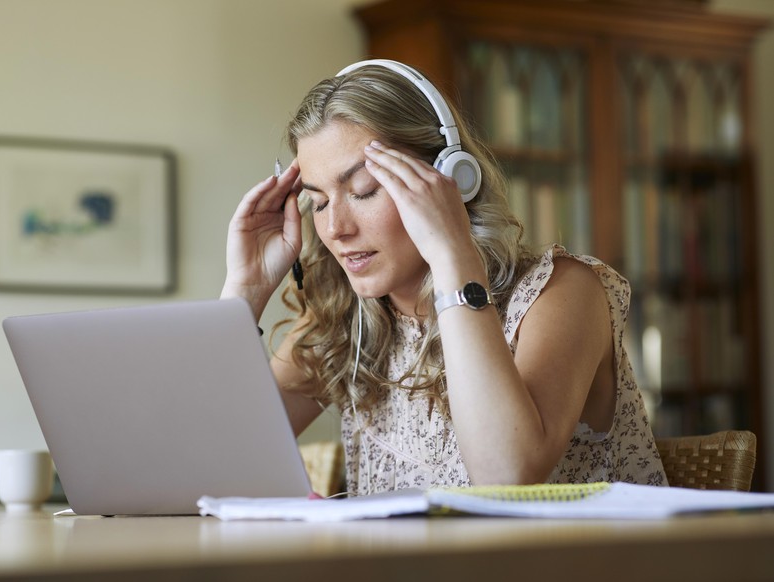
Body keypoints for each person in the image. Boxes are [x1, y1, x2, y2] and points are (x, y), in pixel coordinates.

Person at [221, 59, 667, 496]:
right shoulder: (347, 323)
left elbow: (506, 473)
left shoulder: (563, 293)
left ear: (449, 178)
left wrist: (453, 254)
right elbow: (214, 461)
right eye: (318, 202)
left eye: (364, 191)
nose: (336, 228)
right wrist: (245, 291)